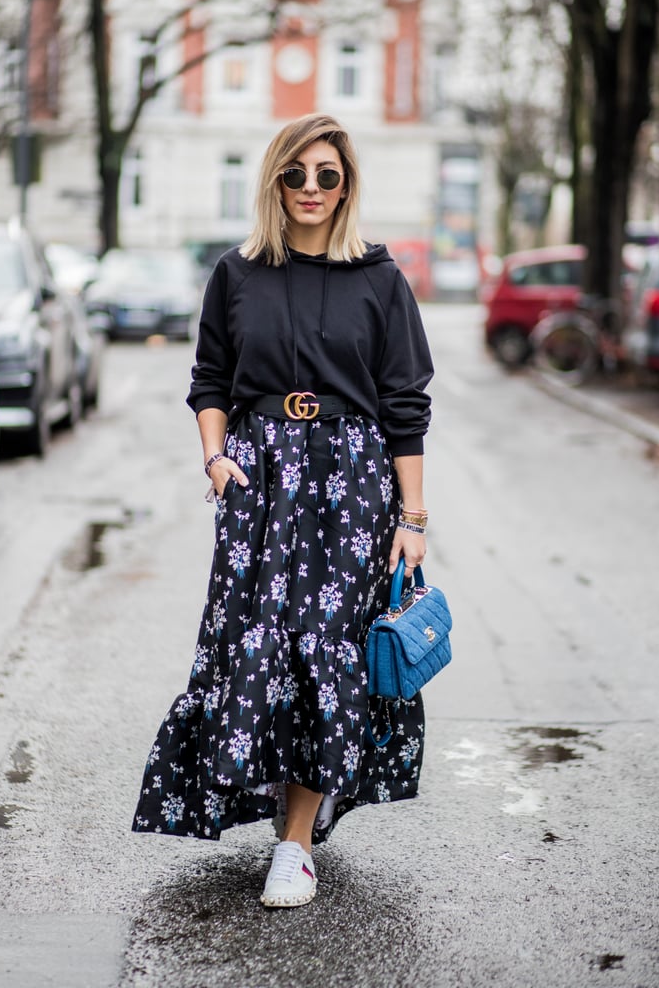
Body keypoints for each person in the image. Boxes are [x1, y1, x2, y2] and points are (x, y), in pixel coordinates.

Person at [132, 113, 434, 909]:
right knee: (255, 647)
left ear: (346, 185)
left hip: (350, 483)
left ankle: (294, 846)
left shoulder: (379, 278)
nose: (310, 189)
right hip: (259, 481)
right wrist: (216, 454)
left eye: (326, 175)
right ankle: (288, 800)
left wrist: (413, 518)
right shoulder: (238, 273)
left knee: (326, 651)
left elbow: (405, 405)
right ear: (273, 181)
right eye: (295, 174)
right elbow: (208, 378)